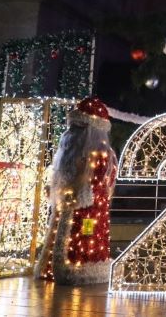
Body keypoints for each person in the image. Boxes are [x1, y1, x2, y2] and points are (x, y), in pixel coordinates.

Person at [35, 97, 118, 284]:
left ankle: (76, 270)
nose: (72, 133)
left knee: (81, 238)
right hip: (66, 205)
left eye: (79, 128)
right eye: (73, 127)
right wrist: (56, 189)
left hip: (86, 212)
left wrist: (77, 190)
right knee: (61, 237)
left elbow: (96, 187)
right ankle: (53, 268)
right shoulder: (73, 152)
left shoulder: (101, 154)